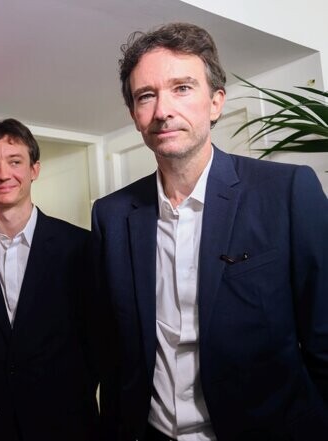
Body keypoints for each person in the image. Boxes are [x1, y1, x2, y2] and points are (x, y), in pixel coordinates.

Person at [91, 22, 328, 440]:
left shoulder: (288, 192)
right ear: (134, 116)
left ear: (216, 102)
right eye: (147, 95)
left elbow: (324, 341)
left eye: (182, 88)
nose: (163, 109)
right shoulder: (111, 215)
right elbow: (113, 350)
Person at [0, 118, 99, 441]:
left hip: (67, 423)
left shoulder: (80, 246)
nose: (3, 174)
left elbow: (99, 341)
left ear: (34, 169)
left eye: (15, 161)